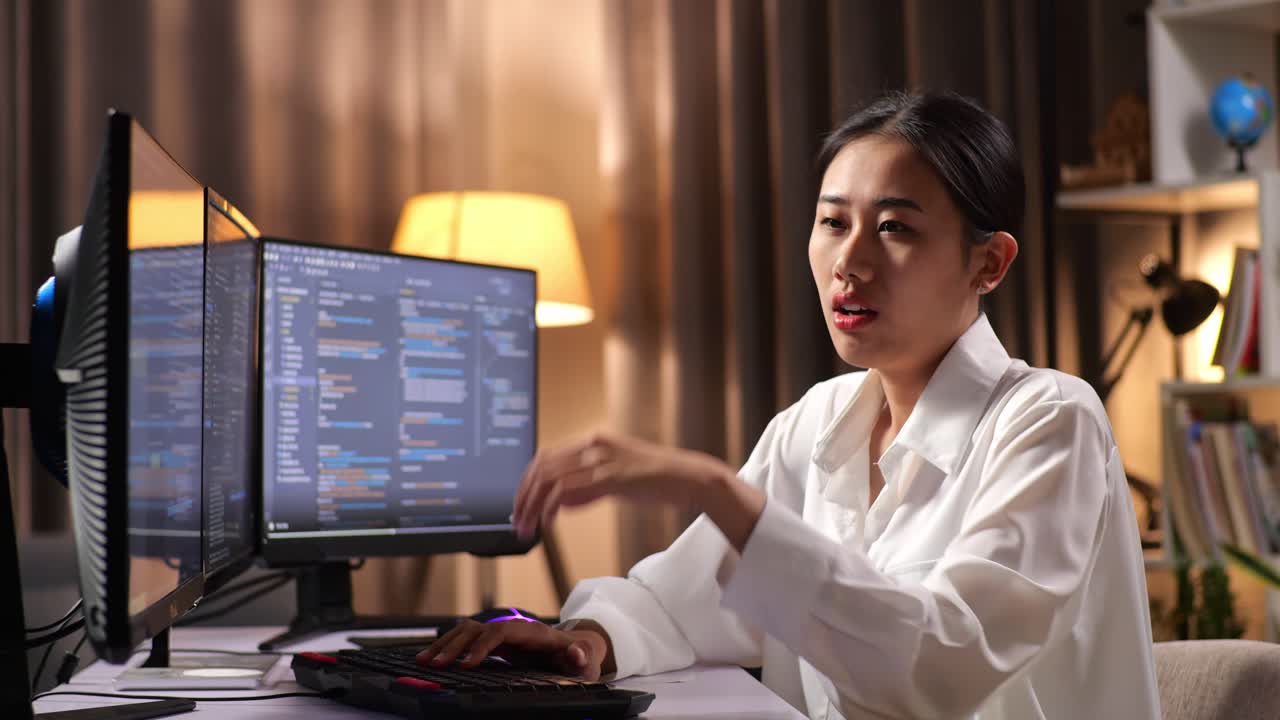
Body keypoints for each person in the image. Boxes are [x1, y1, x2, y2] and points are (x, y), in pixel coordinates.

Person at [417, 91, 1161, 719]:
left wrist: (710, 486)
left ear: (988, 262)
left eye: (895, 228)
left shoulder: (1052, 420)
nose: (850, 262)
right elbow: (680, 604)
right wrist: (589, 637)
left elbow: (940, 667)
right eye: (833, 222)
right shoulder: (818, 422)